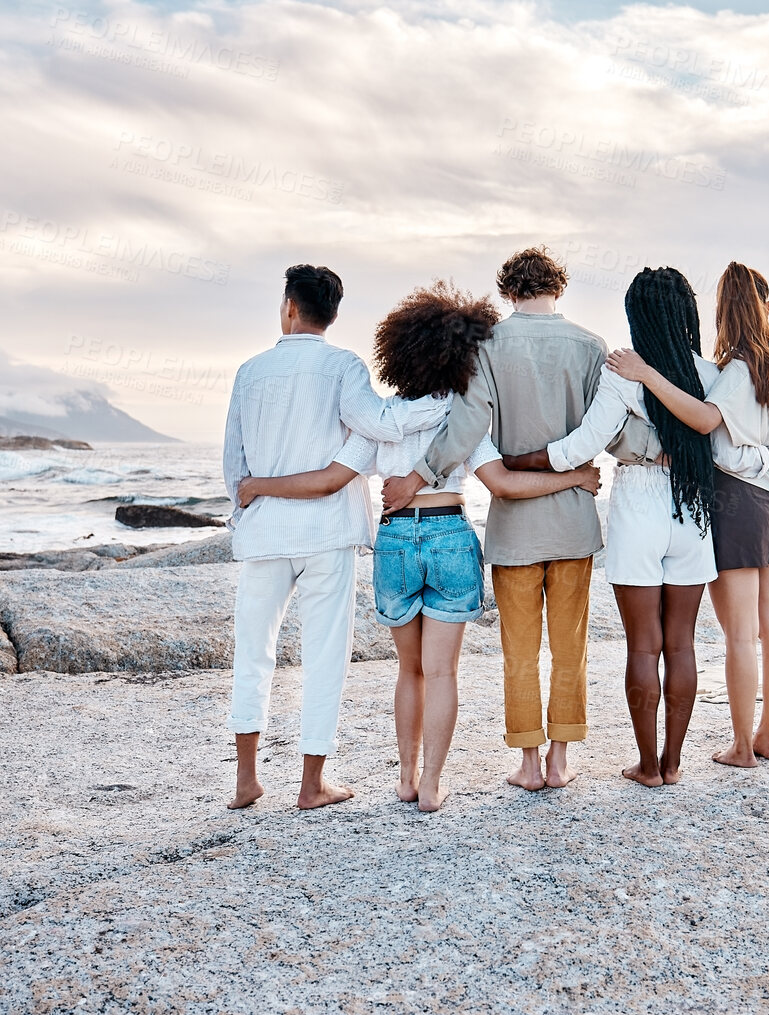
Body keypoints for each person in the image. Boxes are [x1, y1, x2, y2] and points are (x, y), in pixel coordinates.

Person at [237, 284, 602, 811]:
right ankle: (432, 784)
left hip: (394, 542)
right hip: (450, 533)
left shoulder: (382, 421)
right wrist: (571, 481)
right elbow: (501, 483)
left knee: (408, 671)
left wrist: (258, 486)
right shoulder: (462, 416)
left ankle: (405, 778)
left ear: (398, 353)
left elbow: (331, 477)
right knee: (442, 672)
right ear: (460, 354)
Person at [501, 267, 769, 787]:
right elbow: (724, 448)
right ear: (687, 313)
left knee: (643, 647)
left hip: (639, 507)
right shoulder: (709, 374)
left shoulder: (625, 370)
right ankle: (673, 764)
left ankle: (647, 766)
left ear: (637, 315)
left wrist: (522, 460)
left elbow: (580, 446)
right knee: (682, 646)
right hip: (694, 510)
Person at [382, 247, 606, 792]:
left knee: (520, 649)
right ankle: (559, 760)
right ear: (560, 288)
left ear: (508, 292)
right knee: (570, 648)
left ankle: (528, 765)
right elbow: (612, 430)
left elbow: (466, 423)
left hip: (515, 528)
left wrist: (418, 475)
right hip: (574, 522)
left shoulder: (488, 346)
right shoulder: (591, 347)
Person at [603, 262, 769, 768]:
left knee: (742, 634)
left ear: (721, 313)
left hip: (740, 502)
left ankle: (742, 747)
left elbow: (712, 436)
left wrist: (646, 373)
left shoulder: (735, 371)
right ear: (768, 309)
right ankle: (768, 736)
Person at [220, 264, 376, 812]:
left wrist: (250, 502)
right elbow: (369, 428)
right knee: (325, 654)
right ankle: (312, 784)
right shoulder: (344, 366)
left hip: (265, 531)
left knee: (252, 652)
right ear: (332, 315)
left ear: (289, 307)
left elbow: (233, 462)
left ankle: (246, 778)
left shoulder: (251, 371)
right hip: (327, 530)